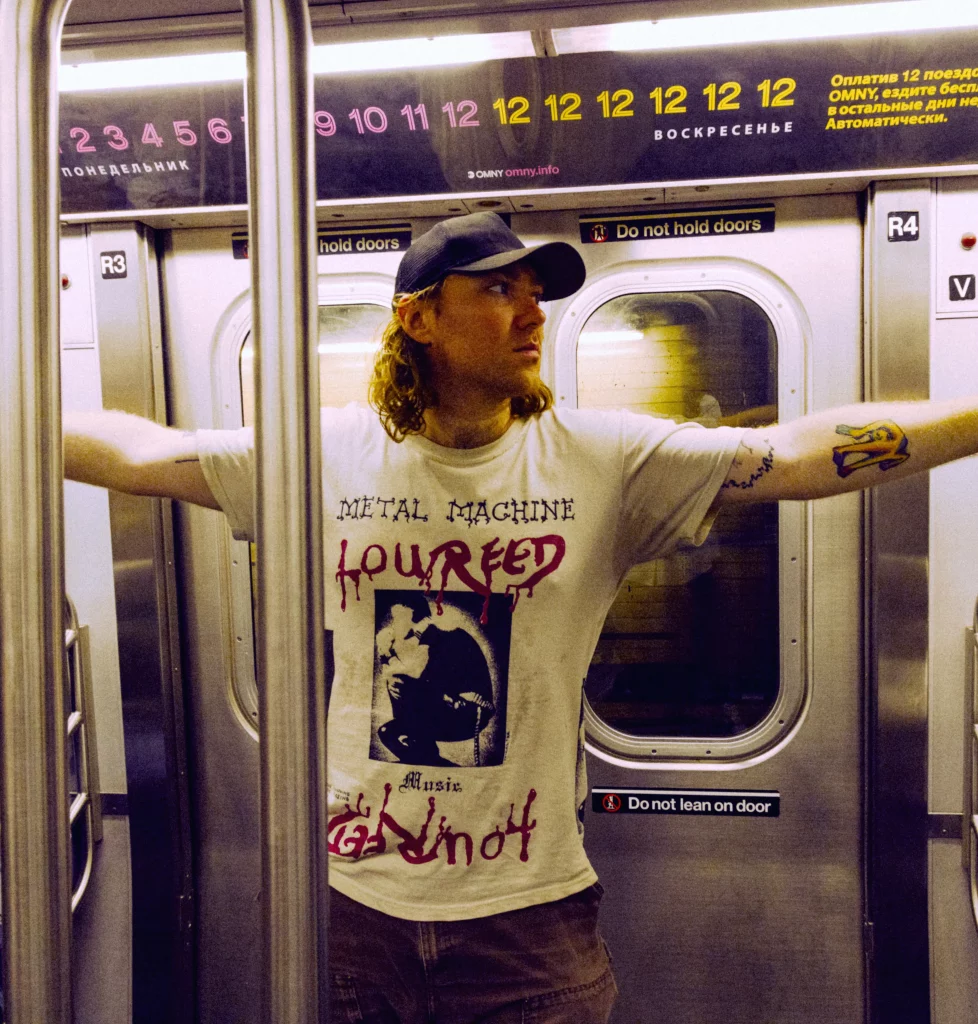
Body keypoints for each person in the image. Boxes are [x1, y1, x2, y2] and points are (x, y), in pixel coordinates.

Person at [64, 211, 978, 1023]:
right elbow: (149, 453)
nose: (534, 313)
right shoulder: (322, 456)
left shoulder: (603, 459)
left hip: (528, 915)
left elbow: (792, 455)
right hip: (353, 909)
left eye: (534, 292)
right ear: (418, 318)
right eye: (500, 290)